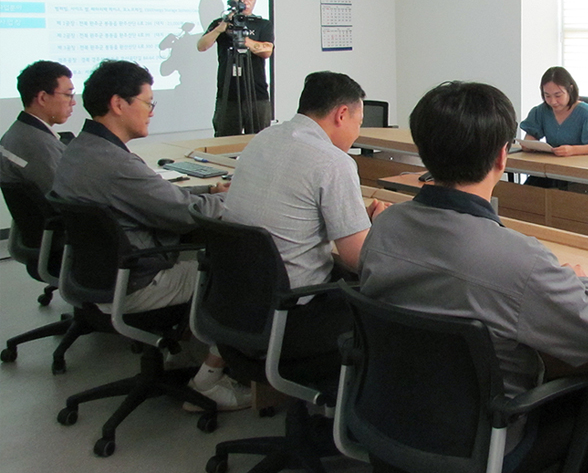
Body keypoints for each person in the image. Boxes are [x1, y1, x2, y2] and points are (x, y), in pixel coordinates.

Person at [360, 81, 588, 473]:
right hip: (484, 448)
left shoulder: (385, 228)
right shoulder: (519, 259)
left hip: (390, 424)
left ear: (423, 153)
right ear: (503, 156)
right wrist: (585, 281)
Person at [51, 60, 250, 410]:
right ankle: (208, 381)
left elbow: (155, 198)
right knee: (242, 274)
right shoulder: (116, 165)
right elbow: (183, 214)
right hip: (136, 282)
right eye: (148, 102)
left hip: (95, 278)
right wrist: (235, 198)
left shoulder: (79, 149)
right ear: (118, 104)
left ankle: (180, 354)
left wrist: (208, 189)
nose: (152, 112)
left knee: (203, 253)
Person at [222, 71, 388, 366]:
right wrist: (381, 229)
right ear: (342, 114)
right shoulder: (334, 162)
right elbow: (357, 259)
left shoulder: (264, 137)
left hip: (237, 301)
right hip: (291, 312)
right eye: (359, 123)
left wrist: (353, 219)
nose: (357, 134)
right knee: (383, 297)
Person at [196, 0, 274, 137]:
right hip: (228, 96)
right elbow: (201, 46)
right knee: (225, 142)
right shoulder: (220, 23)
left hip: (257, 95)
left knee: (260, 141)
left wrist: (244, 40)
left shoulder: (262, 24)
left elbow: (267, 51)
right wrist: (221, 28)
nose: (246, 1)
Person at [1, 61, 76, 191]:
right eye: (68, 95)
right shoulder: (38, 145)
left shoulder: (16, 133)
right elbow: (69, 194)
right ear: (42, 98)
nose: (73, 102)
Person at [520, 66, 588, 157]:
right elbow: (531, 134)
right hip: (551, 162)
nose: (553, 101)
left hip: (580, 163)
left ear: (570, 90)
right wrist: (528, 144)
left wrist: (573, 150)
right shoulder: (541, 111)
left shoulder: (587, 114)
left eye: (558, 96)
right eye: (547, 96)